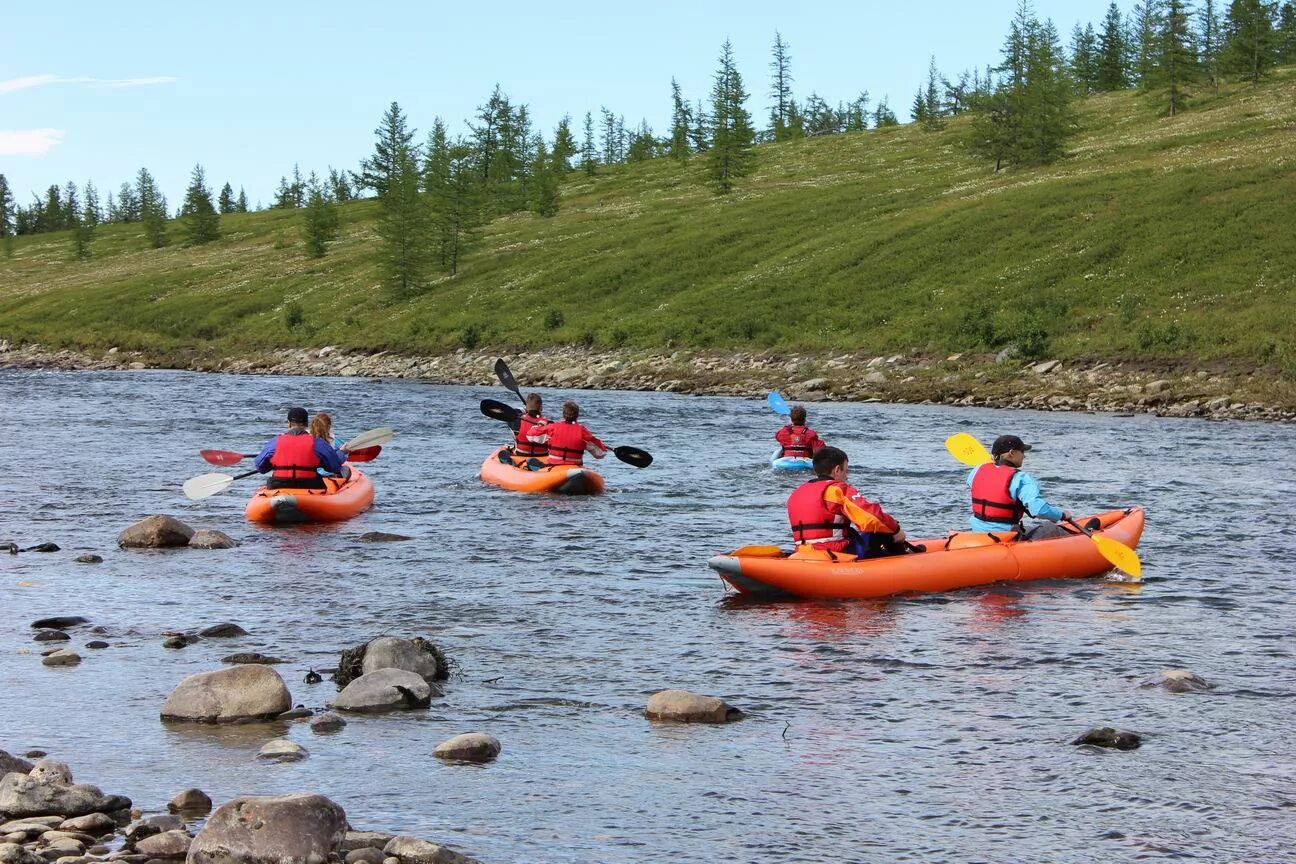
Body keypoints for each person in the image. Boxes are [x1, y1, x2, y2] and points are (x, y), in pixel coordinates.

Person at [787, 446, 907, 558]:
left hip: (802, 553)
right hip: (835, 553)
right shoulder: (838, 490)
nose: (847, 477)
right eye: (846, 471)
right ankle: (904, 560)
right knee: (881, 530)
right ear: (837, 470)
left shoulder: (796, 493)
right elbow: (872, 518)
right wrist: (895, 529)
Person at [967, 434, 1072, 540]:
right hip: (1005, 536)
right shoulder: (1020, 478)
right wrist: (1062, 515)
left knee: (1028, 528)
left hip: (979, 534)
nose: (1024, 456)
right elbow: (1039, 509)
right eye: (1022, 451)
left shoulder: (977, 470)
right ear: (1012, 453)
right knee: (1051, 528)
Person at [254, 407, 348, 489]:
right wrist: (341, 452)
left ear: (289, 423)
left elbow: (260, 468)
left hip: (279, 485)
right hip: (308, 485)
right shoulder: (317, 443)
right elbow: (335, 467)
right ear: (307, 423)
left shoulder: (275, 442)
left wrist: (273, 463)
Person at [527, 400, 607, 467]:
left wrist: (540, 425)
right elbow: (600, 453)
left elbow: (530, 435)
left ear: (563, 414)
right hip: (575, 466)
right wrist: (590, 445)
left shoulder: (553, 427)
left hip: (554, 465)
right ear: (577, 415)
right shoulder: (582, 430)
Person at [512, 394, 551, 460]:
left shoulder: (517, 421)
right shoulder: (549, 423)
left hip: (521, 455)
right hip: (542, 456)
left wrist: (525, 410)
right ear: (541, 407)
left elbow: (514, 411)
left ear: (526, 407)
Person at [309, 411, 347, 476]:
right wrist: (342, 452)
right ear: (329, 427)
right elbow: (335, 463)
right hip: (328, 473)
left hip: (311, 473)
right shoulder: (333, 440)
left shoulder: (307, 439)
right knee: (346, 469)